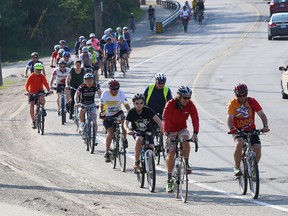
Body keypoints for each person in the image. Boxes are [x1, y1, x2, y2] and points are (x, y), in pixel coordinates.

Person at [227, 83, 270, 176]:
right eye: (239, 95)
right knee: (239, 143)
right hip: (237, 129)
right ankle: (237, 167)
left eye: (244, 95)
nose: (242, 97)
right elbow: (229, 118)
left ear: (247, 94)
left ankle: (253, 167)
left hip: (251, 129)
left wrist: (265, 126)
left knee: (257, 149)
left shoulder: (252, 101)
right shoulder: (233, 103)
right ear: (236, 95)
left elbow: (262, 114)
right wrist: (231, 128)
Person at [163, 86, 199, 193]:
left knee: (185, 139)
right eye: (185, 98)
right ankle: (169, 180)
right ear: (179, 97)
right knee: (172, 152)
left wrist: (195, 133)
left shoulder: (190, 105)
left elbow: (195, 118)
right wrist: (166, 133)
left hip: (182, 129)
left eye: (189, 98)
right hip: (170, 131)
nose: (187, 100)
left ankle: (186, 163)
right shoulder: (170, 104)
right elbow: (165, 118)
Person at [124, 93, 163, 170]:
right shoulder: (132, 112)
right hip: (137, 131)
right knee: (139, 139)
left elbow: (158, 120)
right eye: (137, 103)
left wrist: (161, 128)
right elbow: (126, 123)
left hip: (148, 131)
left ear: (144, 103)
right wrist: (128, 130)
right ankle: (136, 162)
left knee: (151, 147)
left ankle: (150, 166)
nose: (139, 105)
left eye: (141, 103)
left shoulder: (147, 110)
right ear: (134, 104)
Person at [100, 79, 130, 162]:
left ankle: (124, 139)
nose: (115, 91)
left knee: (123, 118)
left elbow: (126, 104)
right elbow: (101, 105)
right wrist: (101, 113)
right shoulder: (105, 94)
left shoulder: (121, 93)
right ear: (109, 88)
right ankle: (106, 152)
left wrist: (131, 113)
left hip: (117, 112)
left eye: (117, 88)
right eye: (113, 89)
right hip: (107, 114)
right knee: (110, 133)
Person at [75, 73, 101, 144]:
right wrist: (76, 102)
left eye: (91, 81)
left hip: (92, 104)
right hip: (83, 104)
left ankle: (94, 138)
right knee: (82, 111)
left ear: (93, 81)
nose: (89, 82)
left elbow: (100, 94)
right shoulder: (82, 86)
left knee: (95, 121)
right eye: (87, 81)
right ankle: (82, 123)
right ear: (85, 81)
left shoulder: (95, 85)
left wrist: (101, 102)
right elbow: (76, 95)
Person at [24, 63, 51, 129]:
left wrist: (48, 90)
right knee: (31, 105)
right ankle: (33, 122)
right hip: (32, 92)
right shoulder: (31, 76)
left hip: (40, 91)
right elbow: (26, 85)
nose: (39, 71)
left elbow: (46, 83)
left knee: (42, 98)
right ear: (34, 69)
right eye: (37, 70)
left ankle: (42, 108)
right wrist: (27, 91)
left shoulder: (42, 76)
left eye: (40, 70)